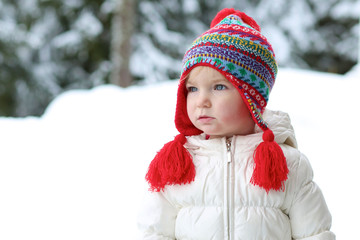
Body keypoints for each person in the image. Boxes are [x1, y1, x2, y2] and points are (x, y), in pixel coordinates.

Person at [137, 8, 335, 240]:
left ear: (251, 97)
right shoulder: (180, 165)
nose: (201, 101)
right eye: (192, 88)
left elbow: (315, 234)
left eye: (219, 87)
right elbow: (155, 232)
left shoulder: (288, 165)